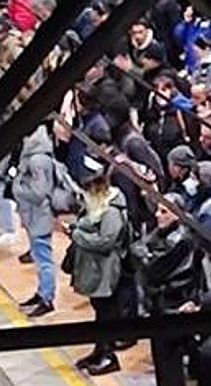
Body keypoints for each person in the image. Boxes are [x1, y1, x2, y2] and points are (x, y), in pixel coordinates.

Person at [68, 156, 130, 376]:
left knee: (106, 312)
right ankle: (99, 350)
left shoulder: (111, 213)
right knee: (100, 311)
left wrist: (77, 235)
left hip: (106, 271)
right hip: (94, 269)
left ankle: (108, 355)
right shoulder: (97, 208)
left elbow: (106, 242)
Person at [13, 125, 58, 317]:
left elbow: (40, 192)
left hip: (40, 216)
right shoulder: (33, 157)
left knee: (44, 260)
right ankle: (41, 293)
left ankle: (47, 298)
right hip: (33, 216)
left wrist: (18, 189)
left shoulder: (38, 160)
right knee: (39, 258)